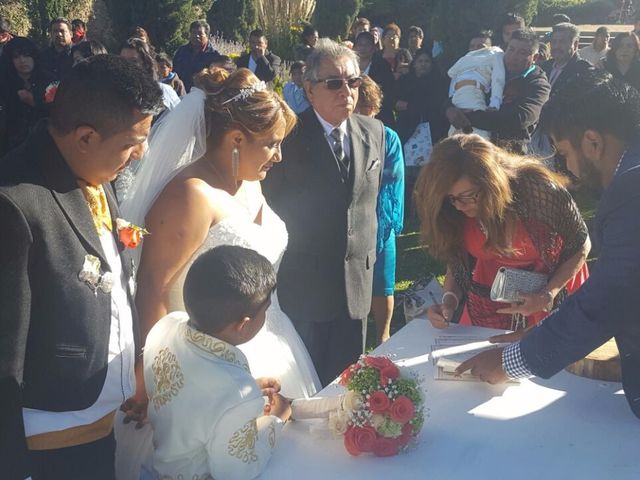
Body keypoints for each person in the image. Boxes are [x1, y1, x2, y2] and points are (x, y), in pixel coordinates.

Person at [115, 66, 320, 480]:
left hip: (273, 342)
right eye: (271, 145)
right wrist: (153, 379)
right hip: (205, 365)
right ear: (236, 139)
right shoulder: (191, 195)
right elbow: (154, 287)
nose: (278, 156)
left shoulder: (248, 180)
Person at [0, 54, 163, 480]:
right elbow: (5, 354)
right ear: (86, 136)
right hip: (47, 432)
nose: (139, 156)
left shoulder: (90, 168)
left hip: (97, 417)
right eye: (131, 144)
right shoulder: (14, 203)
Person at [455, 70, 640, 421]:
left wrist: (514, 361)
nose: (567, 166)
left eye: (564, 152)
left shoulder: (631, 190)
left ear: (592, 142)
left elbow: (609, 298)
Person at [262, 39, 385, 385]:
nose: (346, 90)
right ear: (310, 89)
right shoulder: (287, 137)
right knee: (307, 387)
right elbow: (269, 207)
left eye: (353, 81)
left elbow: (365, 205)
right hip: (305, 288)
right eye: (334, 82)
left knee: (349, 385)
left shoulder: (373, 132)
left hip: (356, 287)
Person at [415, 134, 590, 331]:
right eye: (451, 198)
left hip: (554, 292)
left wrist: (548, 295)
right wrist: (449, 301)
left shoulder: (537, 191)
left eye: (468, 195)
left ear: (492, 183)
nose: (459, 206)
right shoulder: (453, 212)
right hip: (492, 302)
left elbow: (581, 245)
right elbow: (457, 263)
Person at [143, 245, 291, 479]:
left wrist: (248, 389)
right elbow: (236, 472)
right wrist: (276, 419)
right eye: (265, 309)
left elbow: (185, 393)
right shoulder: (235, 395)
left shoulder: (166, 326)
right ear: (243, 325)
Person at [355, 75, 404, 345]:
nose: (362, 114)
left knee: (383, 280)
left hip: (380, 217)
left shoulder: (389, 137)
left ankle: (383, 336)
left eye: (367, 109)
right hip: (350, 220)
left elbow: (393, 178)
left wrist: (382, 224)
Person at [447, 29, 550, 154]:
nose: (513, 56)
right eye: (511, 49)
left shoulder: (538, 84)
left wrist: (468, 117)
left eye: (522, 53)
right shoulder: (490, 67)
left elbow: (519, 119)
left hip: (508, 155)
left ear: (535, 57)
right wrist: (448, 109)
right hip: (472, 148)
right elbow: (459, 89)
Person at [0, 37, 52, 155]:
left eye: (26, 55)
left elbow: (57, 111)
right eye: (16, 57)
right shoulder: (4, 84)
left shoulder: (49, 81)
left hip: (44, 145)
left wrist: (34, 102)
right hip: (11, 147)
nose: (22, 60)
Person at [447, 44, 505, 139]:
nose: (477, 48)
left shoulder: (496, 52)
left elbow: (498, 77)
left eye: (480, 45)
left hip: (471, 93)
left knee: (476, 139)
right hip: (460, 97)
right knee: (458, 139)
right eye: (473, 46)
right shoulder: (467, 56)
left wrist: (495, 103)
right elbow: (452, 73)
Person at [394, 47, 449, 144]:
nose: (423, 64)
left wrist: (409, 106)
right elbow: (395, 100)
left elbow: (435, 104)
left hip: (431, 127)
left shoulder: (438, 82)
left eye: (427, 61)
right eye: (420, 61)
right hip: (406, 127)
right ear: (414, 64)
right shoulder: (405, 80)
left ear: (431, 64)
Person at [120, 38, 180, 111]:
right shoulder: (112, 92)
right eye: (123, 60)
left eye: (134, 61)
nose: (127, 65)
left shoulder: (164, 93)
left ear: (146, 64)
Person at [353, 31, 395, 126]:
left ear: (373, 48)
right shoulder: (350, 65)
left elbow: (388, 89)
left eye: (367, 45)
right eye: (360, 45)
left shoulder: (382, 65)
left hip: (377, 111)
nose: (363, 48)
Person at [542, 23, 592, 96]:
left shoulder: (584, 71)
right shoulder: (545, 66)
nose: (556, 46)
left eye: (562, 42)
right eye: (554, 42)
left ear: (575, 44)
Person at [172, 20, 221, 92]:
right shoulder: (181, 51)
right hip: (180, 95)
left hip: (202, 96)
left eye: (200, 33)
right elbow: (174, 73)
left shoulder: (214, 56)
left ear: (207, 35)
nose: (196, 36)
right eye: (193, 33)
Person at [40, 17, 74, 82]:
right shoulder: (43, 56)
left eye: (62, 31)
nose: (59, 34)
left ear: (71, 34)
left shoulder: (78, 54)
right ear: (51, 34)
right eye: (55, 31)